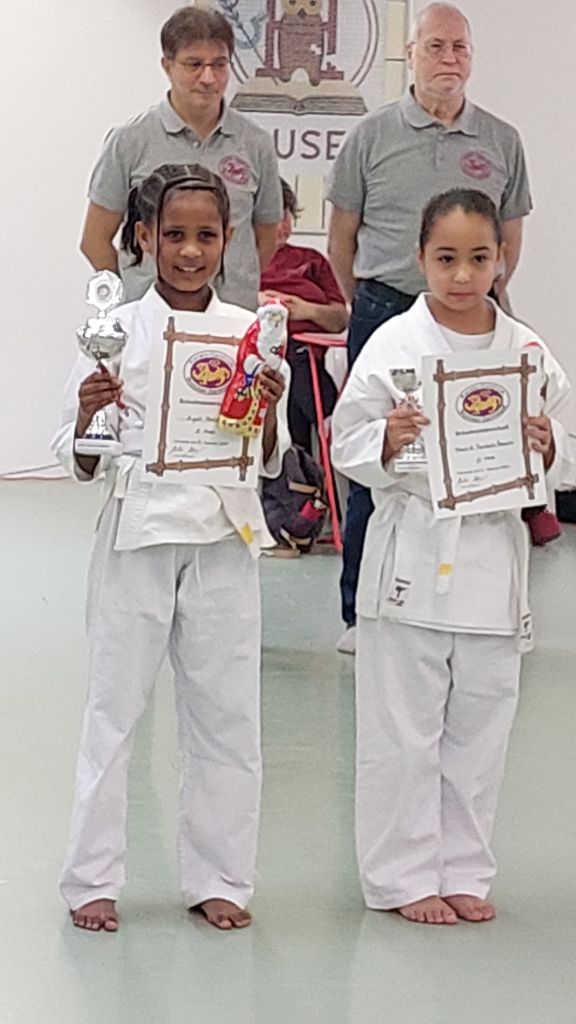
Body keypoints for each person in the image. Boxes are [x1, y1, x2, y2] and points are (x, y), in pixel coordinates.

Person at [52, 163, 290, 933]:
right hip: (140, 537)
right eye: (176, 234)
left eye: (206, 236)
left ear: (228, 240)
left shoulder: (250, 333)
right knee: (113, 712)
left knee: (228, 718)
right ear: (145, 237)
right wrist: (88, 416)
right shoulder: (116, 329)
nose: (191, 251)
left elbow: (270, 456)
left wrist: (269, 407)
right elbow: (77, 455)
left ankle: (221, 877)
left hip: (223, 539)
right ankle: (92, 879)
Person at [331, 189, 572, 925]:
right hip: (413, 554)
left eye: (478, 258)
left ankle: (465, 869)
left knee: (480, 731)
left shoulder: (526, 352)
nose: (462, 275)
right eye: (446, 259)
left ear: (501, 259)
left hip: (492, 562)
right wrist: (385, 440)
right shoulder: (394, 345)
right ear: (420, 260)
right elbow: (345, 440)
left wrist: (549, 447)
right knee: (402, 733)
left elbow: (564, 444)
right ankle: (401, 877)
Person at [326, 1, 534, 655]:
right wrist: (370, 307)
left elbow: (510, 241)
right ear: (410, 54)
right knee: (381, 459)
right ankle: (361, 612)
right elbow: (341, 240)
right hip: (386, 311)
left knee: (478, 454)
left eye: (460, 48)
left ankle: (481, 606)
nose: (449, 59)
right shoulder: (370, 136)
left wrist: (480, 296)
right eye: (436, 46)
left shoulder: (501, 140)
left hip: (475, 323)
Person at [80, 6, 282, 310]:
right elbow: (94, 239)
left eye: (219, 64)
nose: (208, 78)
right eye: (194, 64)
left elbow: (266, 236)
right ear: (167, 66)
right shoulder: (130, 140)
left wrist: (233, 284)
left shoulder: (256, 143)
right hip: (151, 318)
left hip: (232, 316)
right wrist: (131, 300)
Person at [260, 179, 348, 453]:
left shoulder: (311, 259)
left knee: (299, 365)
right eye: (274, 217)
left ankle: (308, 450)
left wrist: (306, 309)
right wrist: (260, 301)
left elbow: (340, 319)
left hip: (305, 351)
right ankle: (329, 427)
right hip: (260, 353)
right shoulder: (242, 263)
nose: (282, 225)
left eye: (286, 215)